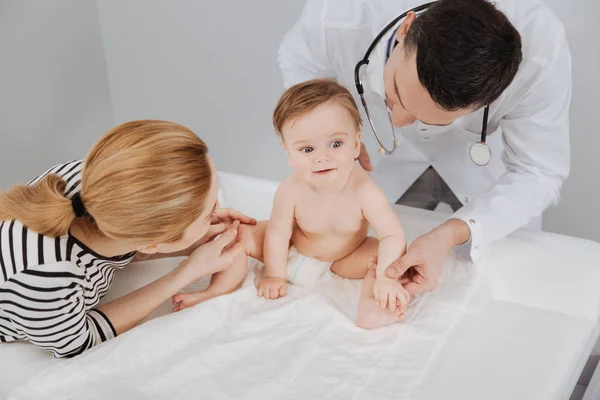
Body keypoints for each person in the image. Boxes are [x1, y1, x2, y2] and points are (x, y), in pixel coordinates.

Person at [278, 0, 571, 295]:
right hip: (390, 161)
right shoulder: (341, 14)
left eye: (430, 118)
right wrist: (325, 128)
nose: (402, 121)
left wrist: (452, 232)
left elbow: (538, 171)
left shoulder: (541, 51)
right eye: (396, 92)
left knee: (499, 290)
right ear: (406, 28)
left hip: (489, 177)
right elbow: (298, 57)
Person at [0, 120, 256, 358]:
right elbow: (78, 342)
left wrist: (187, 240)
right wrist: (185, 273)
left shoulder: (93, 179)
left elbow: (128, 244)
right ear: (152, 241)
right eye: (209, 211)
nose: (219, 210)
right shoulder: (42, 276)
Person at [174, 79, 411, 329]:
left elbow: (392, 234)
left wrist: (386, 275)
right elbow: (278, 233)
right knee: (237, 235)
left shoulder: (365, 191)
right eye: (307, 149)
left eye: (335, 144)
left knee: (393, 260)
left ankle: (373, 306)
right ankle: (214, 292)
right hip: (292, 250)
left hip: (345, 258)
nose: (322, 157)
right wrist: (275, 274)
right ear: (288, 153)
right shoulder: (291, 189)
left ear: (355, 144)